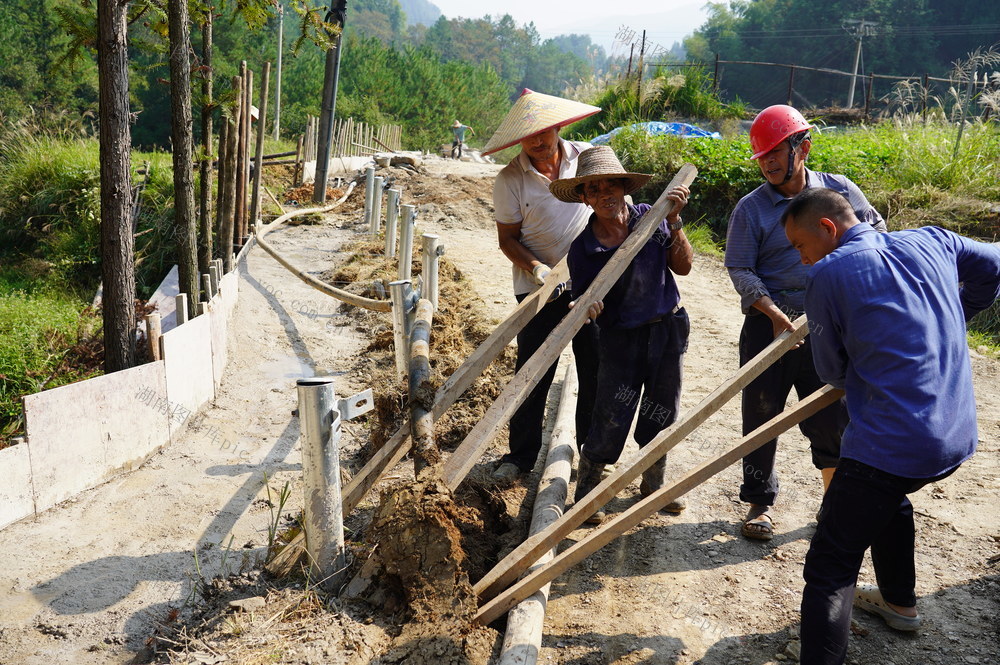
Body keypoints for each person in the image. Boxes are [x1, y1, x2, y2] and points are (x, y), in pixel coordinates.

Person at [780, 187, 1000, 665]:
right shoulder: (933, 240)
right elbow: (995, 264)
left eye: (799, 247)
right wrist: (958, 313)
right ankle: (899, 603)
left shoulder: (826, 276)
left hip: (894, 444)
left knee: (830, 565)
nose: (801, 260)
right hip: (955, 436)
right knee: (886, 497)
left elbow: (832, 372)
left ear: (827, 228)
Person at [724, 104, 887, 541]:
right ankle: (760, 504)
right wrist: (776, 316)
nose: (769, 161)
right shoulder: (751, 209)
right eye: (762, 156)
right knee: (761, 411)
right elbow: (740, 268)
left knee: (831, 412)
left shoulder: (840, 192)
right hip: (770, 324)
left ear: (804, 147)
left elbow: (876, 234)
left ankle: (832, 504)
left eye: (777, 151)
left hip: (830, 323)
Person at [551, 146, 692, 523]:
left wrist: (675, 221)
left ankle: (653, 486)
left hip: (667, 329)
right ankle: (588, 494)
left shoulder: (651, 218)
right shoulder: (584, 249)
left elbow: (684, 266)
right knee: (611, 414)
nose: (602, 195)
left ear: (622, 186)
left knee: (662, 411)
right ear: (583, 198)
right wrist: (585, 307)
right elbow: (583, 301)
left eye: (608, 185)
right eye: (592, 190)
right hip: (619, 340)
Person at [484, 89, 602, 482]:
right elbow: (507, 239)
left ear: (558, 126)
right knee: (533, 370)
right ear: (519, 138)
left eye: (543, 131)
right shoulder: (511, 179)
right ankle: (519, 458)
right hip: (538, 287)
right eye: (528, 134)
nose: (537, 140)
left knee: (596, 367)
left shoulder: (586, 157)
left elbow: (615, 205)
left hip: (593, 283)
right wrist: (537, 271)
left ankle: (593, 456)